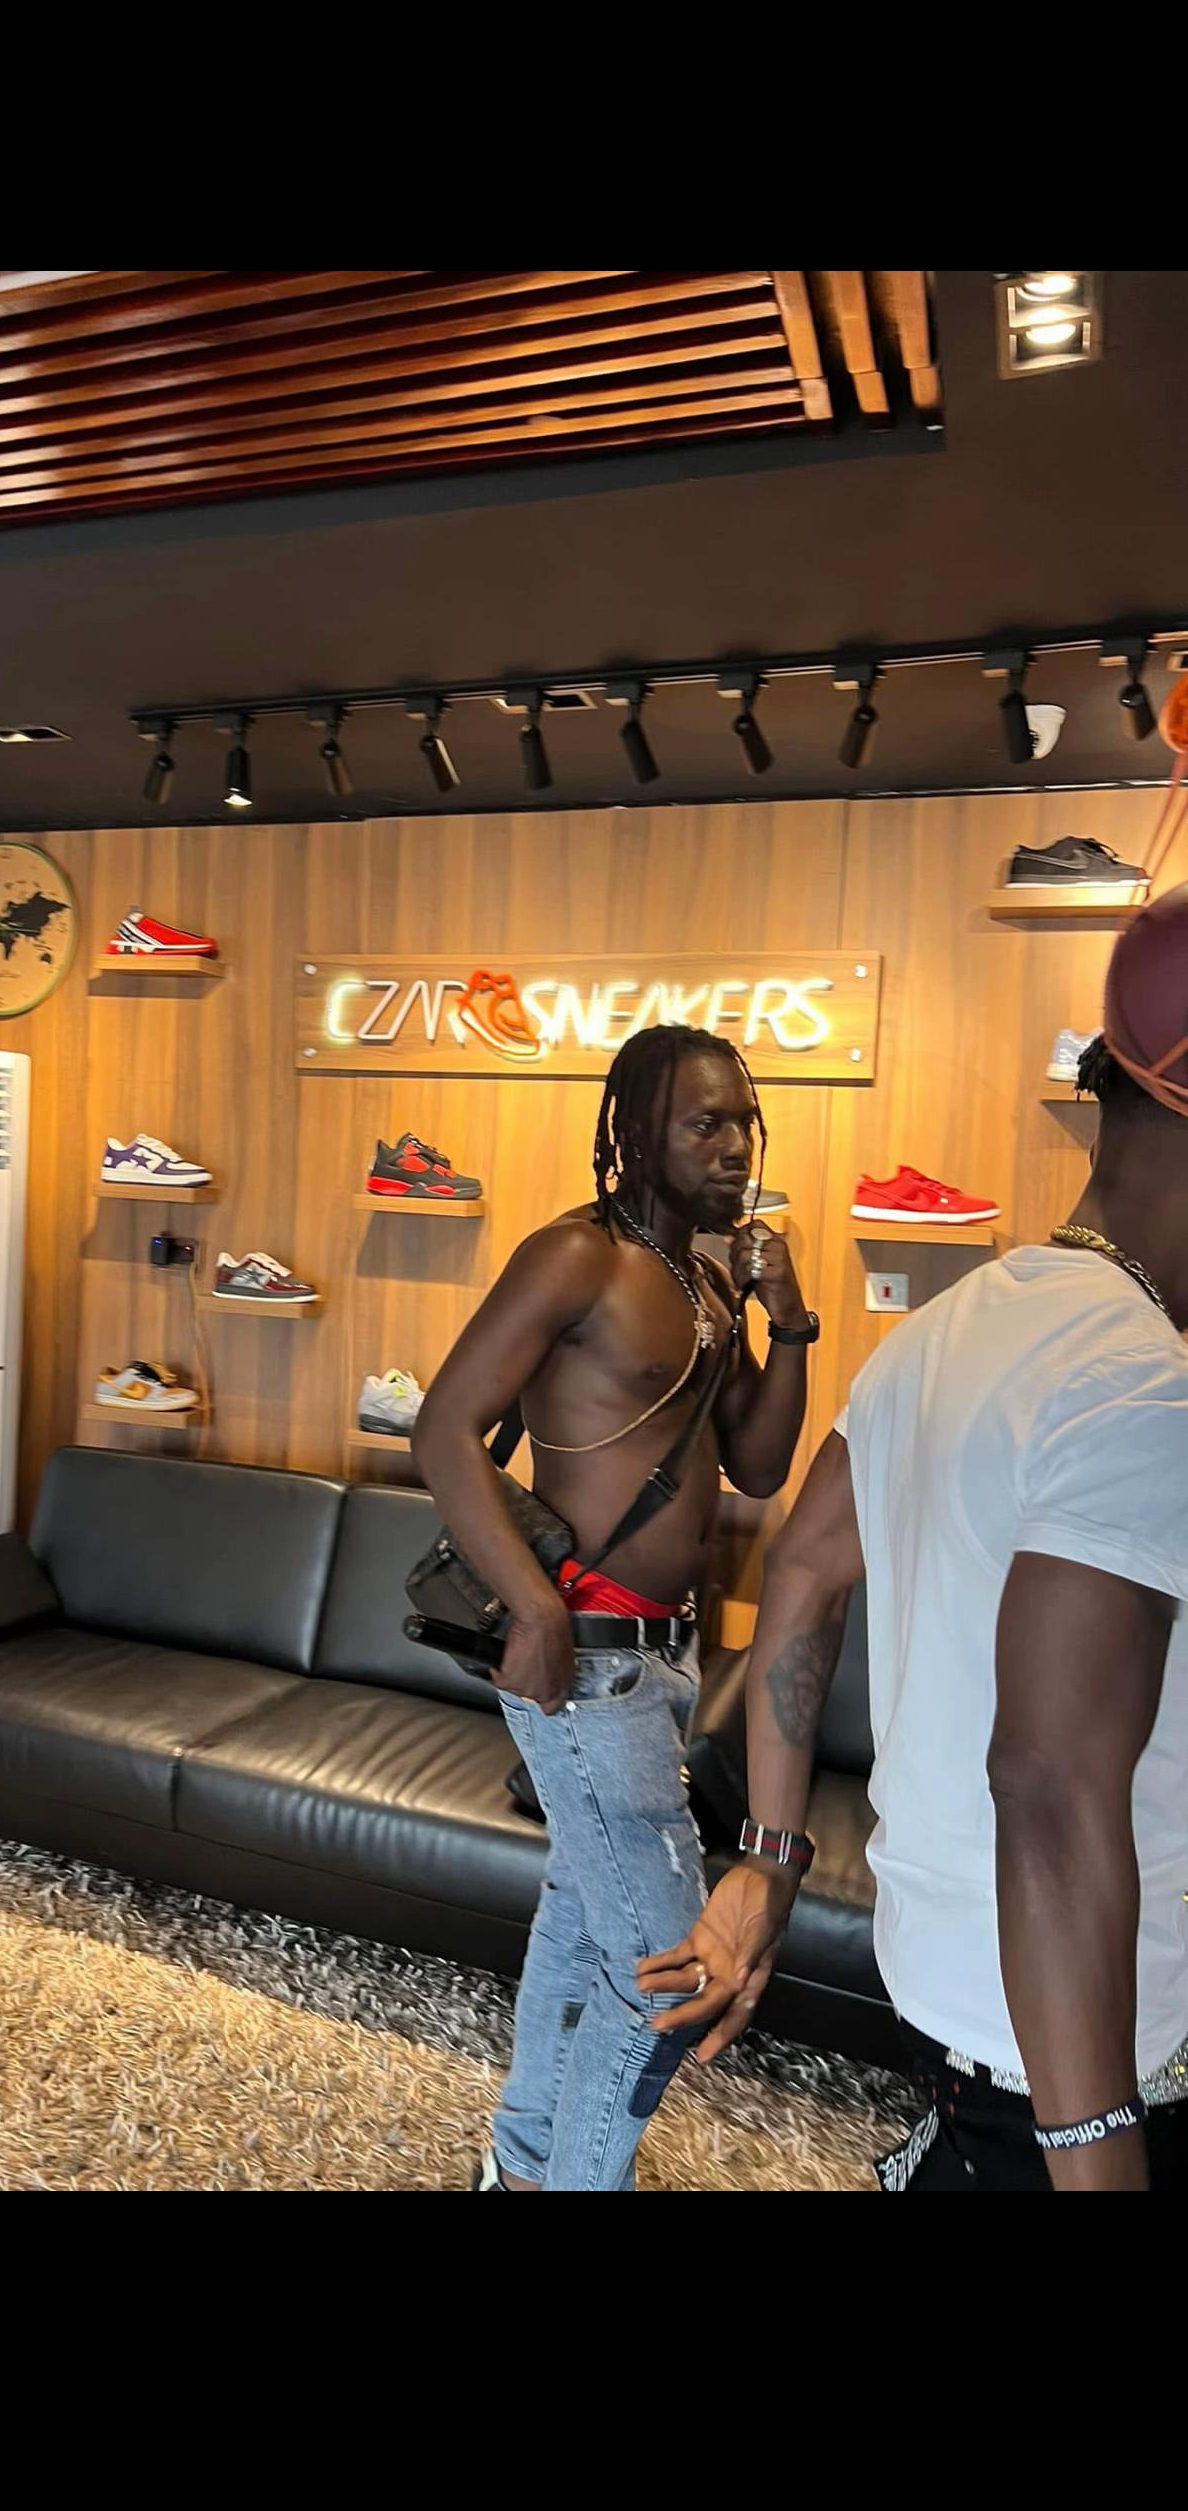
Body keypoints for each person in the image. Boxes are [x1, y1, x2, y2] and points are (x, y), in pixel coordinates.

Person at [641, 891, 1188, 2191]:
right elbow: (1047, 1783)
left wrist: (771, 1857)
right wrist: (1094, 2155)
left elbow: (806, 1567)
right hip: (1098, 2052)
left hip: (959, 1987)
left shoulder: (949, 1327)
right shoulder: (1144, 1387)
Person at [413, 1023, 818, 2190]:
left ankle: (520, 2164)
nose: (735, 1145)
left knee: (584, 1924)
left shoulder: (704, 1280)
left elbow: (758, 1465)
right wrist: (533, 1610)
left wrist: (789, 1318)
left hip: (664, 1660)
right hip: (584, 1657)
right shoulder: (574, 1258)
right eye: (706, 1123)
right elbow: (443, 1426)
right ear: (638, 1133)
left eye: (744, 1122)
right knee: (667, 1970)